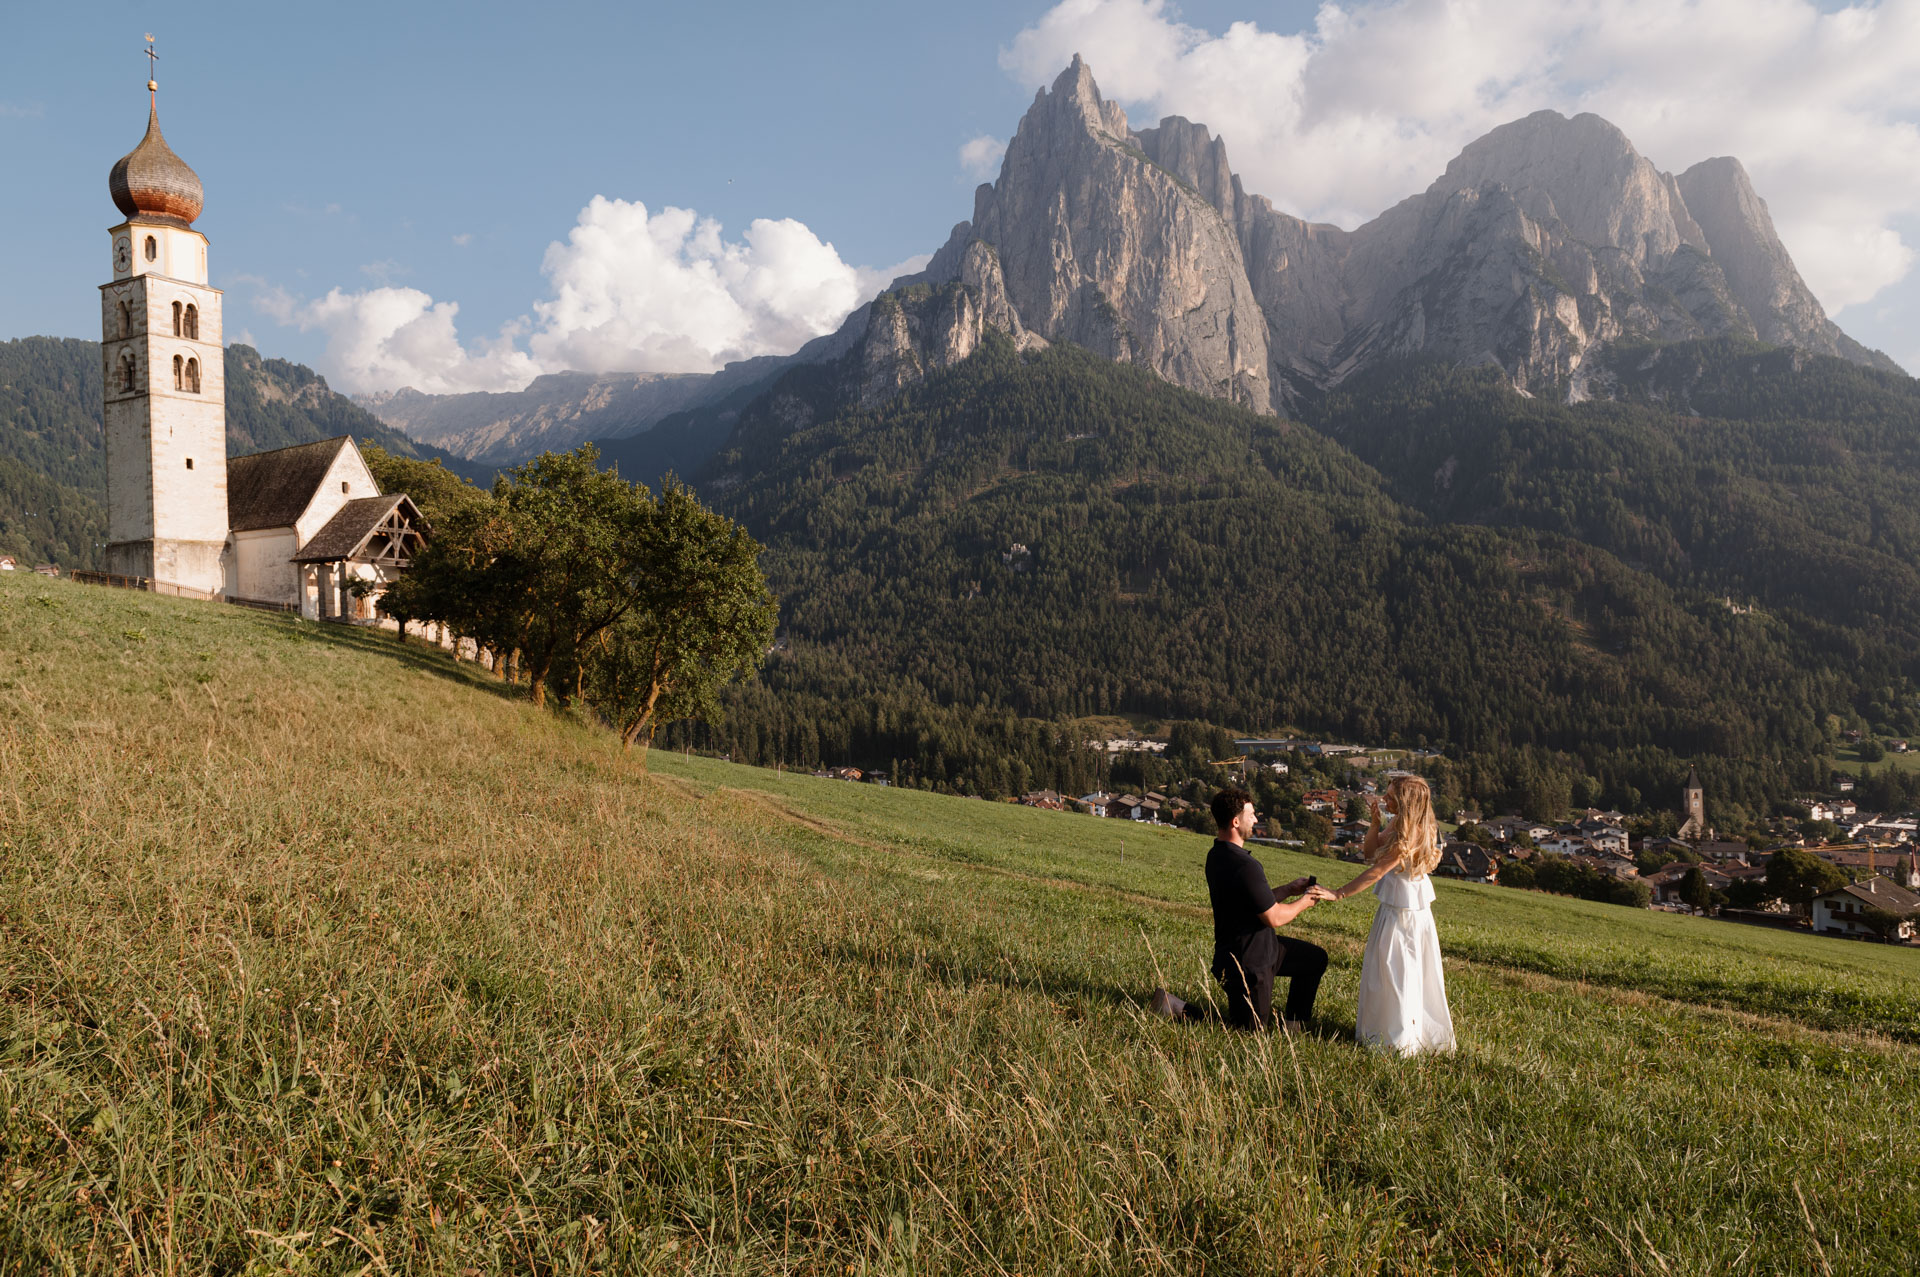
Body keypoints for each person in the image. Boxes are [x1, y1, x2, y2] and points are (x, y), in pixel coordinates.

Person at [1152, 787, 1334, 1031]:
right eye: (1252, 815)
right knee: (1247, 1033)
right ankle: (1174, 1006)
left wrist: (1289, 889)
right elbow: (1274, 917)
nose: (1256, 820)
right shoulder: (1245, 865)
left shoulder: (1218, 854)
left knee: (1315, 959)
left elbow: (1253, 901)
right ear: (1236, 821)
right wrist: (1305, 901)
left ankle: (1293, 1025)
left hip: (1261, 949)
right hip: (1248, 964)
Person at [1325, 774, 1455, 1055]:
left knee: (1399, 971)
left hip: (1405, 914)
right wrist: (1374, 825)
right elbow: (1370, 853)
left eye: (1390, 797)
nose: (1384, 800)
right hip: (1394, 908)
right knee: (1386, 968)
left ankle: (1398, 1040)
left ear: (1405, 802)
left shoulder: (1413, 834)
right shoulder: (1400, 823)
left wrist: (1339, 893)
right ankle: (1386, 1031)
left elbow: (1376, 871)